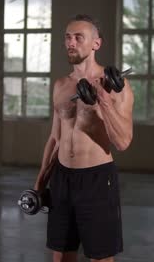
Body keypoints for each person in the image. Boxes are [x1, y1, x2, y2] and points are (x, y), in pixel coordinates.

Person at [33, 14, 134, 262]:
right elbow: (55, 139)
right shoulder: (60, 85)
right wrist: (39, 183)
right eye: (68, 37)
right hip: (61, 180)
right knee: (61, 256)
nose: (71, 43)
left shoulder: (117, 87)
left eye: (79, 37)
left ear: (96, 44)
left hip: (97, 180)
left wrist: (103, 101)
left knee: (100, 257)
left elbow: (122, 142)